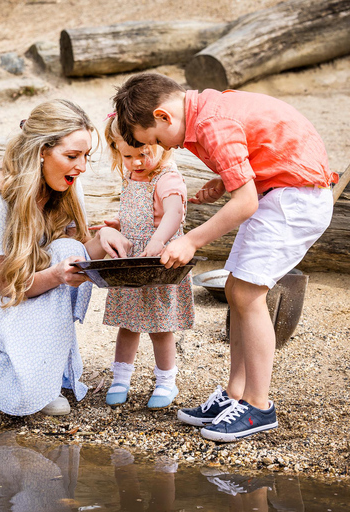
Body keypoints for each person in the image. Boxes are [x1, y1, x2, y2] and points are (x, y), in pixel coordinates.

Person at [113, 72, 337, 442]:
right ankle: (235, 395)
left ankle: (258, 407)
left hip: (295, 199)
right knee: (236, 289)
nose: (168, 149)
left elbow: (245, 202)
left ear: (164, 116)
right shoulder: (208, 109)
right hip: (279, 192)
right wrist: (226, 180)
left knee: (249, 294)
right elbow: (258, 158)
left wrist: (192, 242)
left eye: (155, 139)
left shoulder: (211, 123)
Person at [0, 99, 132, 417]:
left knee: (67, 250)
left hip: (21, 281)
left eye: (85, 157)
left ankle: (35, 372)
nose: (81, 167)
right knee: (23, 398)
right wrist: (55, 276)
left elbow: (75, 257)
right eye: (72, 156)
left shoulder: (64, 182)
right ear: (41, 151)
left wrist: (102, 241)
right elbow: (6, 286)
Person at [98, 114, 194, 409]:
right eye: (127, 155)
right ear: (117, 150)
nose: (136, 161)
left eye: (143, 153)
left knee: (159, 326)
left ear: (159, 145)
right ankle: (120, 378)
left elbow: (173, 212)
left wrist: (155, 242)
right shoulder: (130, 175)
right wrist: (120, 221)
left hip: (157, 263)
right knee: (127, 324)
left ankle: (166, 382)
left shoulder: (166, 178)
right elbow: (139, 211)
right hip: (131, 261)